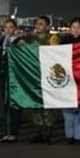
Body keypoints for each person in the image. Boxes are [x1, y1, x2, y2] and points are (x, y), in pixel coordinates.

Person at [59, 18, 80, 144]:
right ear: (70, 28)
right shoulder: (64, 41)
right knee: (68, 108)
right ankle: (69, 135)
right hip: (68, 78)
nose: (76, 29)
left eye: (78, 27)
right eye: (73, 27)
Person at [28, 15, 61, 143]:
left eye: (41, 24)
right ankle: (38, 131)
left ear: (47, 27)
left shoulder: (53, 38)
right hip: (34, 75)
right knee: (35, 104)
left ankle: (48, 132)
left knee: (47, 105)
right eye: (37, 24)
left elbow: (54, 55)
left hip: (47, 75)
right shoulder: (31, 39)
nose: (37, 26)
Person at [0, 19, 25, 142]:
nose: (8, 30)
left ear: (15, 28)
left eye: (11, 27)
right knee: (5, 105)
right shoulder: (0, 42)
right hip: (2, 77)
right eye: (6, 27)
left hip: (15, 78)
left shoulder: (19, 42)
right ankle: (6, 132)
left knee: (15, 105)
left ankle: (14, 132)